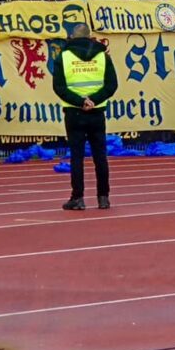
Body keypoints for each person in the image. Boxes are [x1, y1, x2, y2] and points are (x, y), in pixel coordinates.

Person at [52, 21, 117, 211]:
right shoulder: (103, 57)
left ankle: (78, 198)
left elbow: (59, 87)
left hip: (74, 113)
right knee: (100, 156)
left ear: (72, 37)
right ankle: (103, 197)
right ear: (90, 37)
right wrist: (94, 100)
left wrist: (81, 102)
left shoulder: (63, 57)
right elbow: (111, 85)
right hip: (97, 113)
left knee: (77, 157)